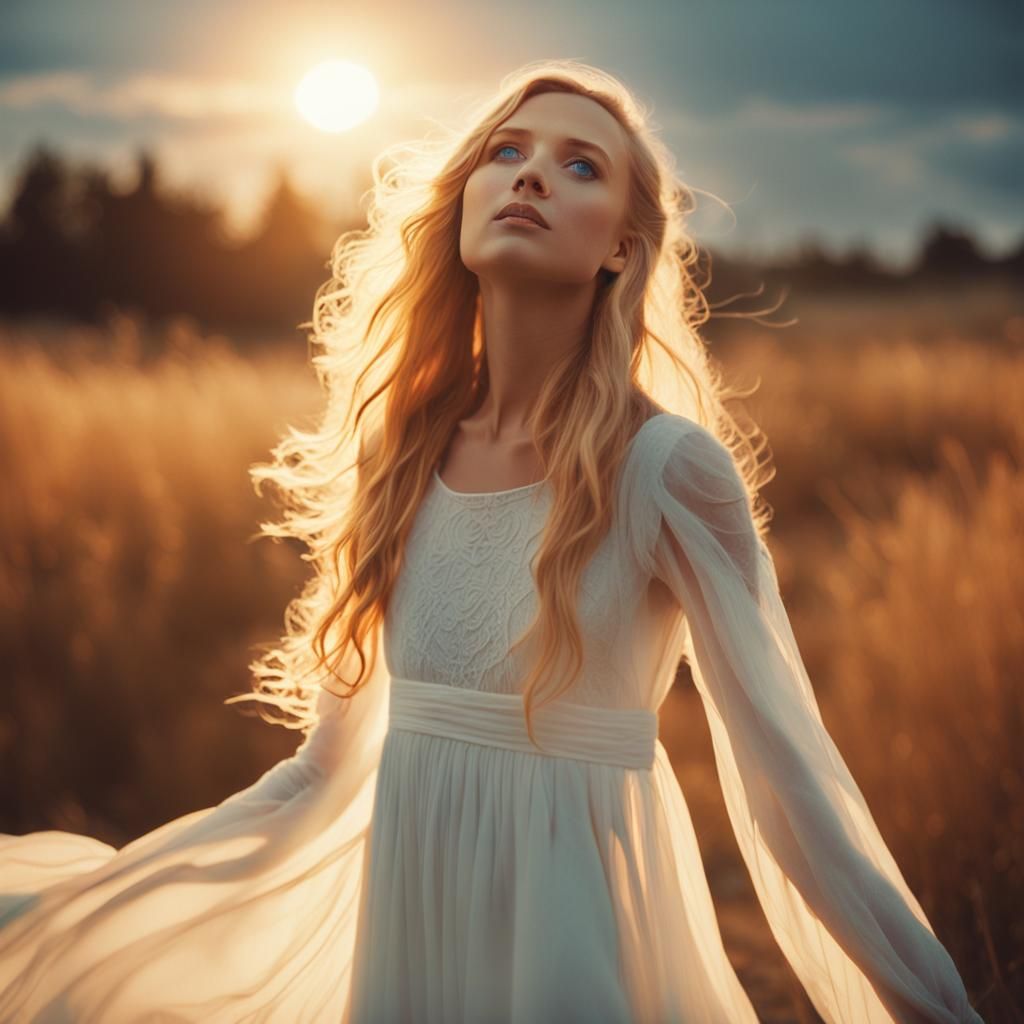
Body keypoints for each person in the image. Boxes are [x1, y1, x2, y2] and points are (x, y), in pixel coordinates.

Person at [0, 59, 985, 1023]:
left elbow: (789, 786)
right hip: (411, 935)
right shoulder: (403, 450)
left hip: (579, 944)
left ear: (620, 249)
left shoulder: (665, 467)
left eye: (580, 165)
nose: (530, 173)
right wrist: (97, 912)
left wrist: (924, 1002)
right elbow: (322, 770)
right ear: (462, 200)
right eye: (506, 150)